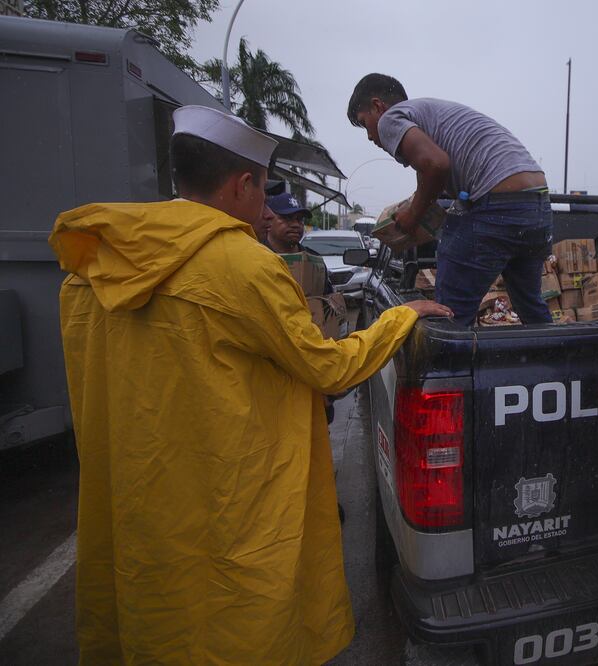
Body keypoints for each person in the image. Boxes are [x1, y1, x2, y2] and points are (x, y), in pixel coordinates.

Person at [50, 104, 452, 664]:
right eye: (263, 190)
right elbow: (328, 368)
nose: (265, 207)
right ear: (242, 185)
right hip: (226, 501)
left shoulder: (95, 262)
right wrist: (400, 318)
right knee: (238, 622)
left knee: (157, 618)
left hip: (139, 499)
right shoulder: (244, 266)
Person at [347, 73, 553, 327]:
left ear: (378, 106)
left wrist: (413, 216)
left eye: (364, 122)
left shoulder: (390, 119)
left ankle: (450, 351)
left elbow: (436, 165)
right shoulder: (430, 115)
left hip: (497, 205)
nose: (369, 136)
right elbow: (431, 170)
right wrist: (419, 202)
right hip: (537, 206)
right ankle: (558, 352)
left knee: (450, 315)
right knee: (531, 307)